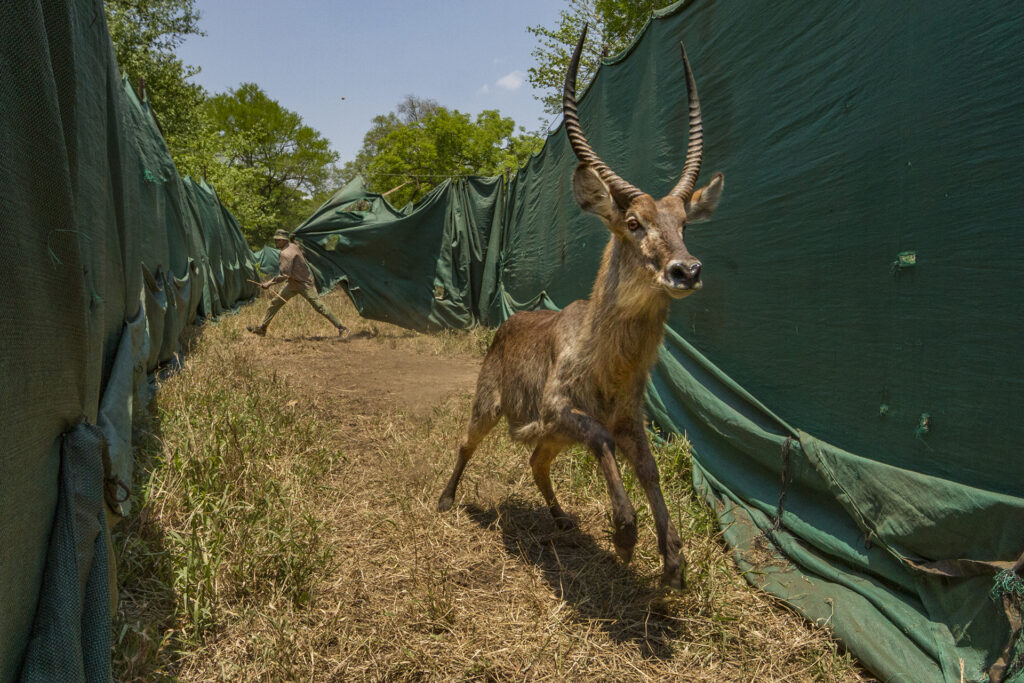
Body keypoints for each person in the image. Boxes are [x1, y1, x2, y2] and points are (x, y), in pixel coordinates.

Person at [247, 229, 349, 338]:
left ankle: (342, 327)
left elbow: (284, 275)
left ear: (284, 241)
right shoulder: (293, 246)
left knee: (319, 307)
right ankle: (262, 328)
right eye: (276, 240)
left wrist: (268, 283)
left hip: (303, 284)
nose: (276, 242)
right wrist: (293, 240)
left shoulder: (285, 254)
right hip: (293, 283)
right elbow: (300, 252)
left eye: (279, 240)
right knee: (275, 303)